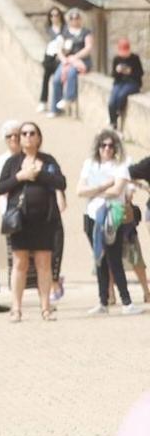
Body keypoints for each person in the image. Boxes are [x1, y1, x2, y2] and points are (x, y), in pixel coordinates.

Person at [0, 122, 67, 322]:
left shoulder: (48, 160)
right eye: (24, 133)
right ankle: (16, 309)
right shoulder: (13, 162)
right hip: (21, 221)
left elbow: (61, 182)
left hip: (44, 220)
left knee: (44, 263)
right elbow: (0, 187)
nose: (28, 136)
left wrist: (40, 174)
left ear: (38, 137)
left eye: (32, 133)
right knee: (20, 263)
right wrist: (21, 176)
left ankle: (45, 307)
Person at [79, 131, 138, 315]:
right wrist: (104, 186)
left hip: (113, 215)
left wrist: (93, 191)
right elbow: (79, 190)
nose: (107, 149)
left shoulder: (121, 165)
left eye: (111, 145)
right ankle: (102, 301)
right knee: (99, 259)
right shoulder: (90, 164)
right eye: (103, 145)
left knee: (114, 259)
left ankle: (126, 301)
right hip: (91, 215)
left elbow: (118, 190)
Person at [50, 8, 94, 117]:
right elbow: (59, 48)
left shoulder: (86, 32)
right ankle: (55, 108)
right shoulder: (65, 32)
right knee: (56, 79)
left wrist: (76, 57)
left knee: (72, 73)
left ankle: (68, 98)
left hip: (82, 60)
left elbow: (88, 47)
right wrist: (64, 59)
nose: (75, 20)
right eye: (72, 18)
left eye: (77, 18)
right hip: (67, 60)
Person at [113, 39, 144, 128]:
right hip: (120, 82)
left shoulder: (135, 58)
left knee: (121, 95)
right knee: (113, 98)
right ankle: (113, 121)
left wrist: (130, 72)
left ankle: (118, 112)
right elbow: (114, 76)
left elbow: (140, 73)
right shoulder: (117, 59)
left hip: (133, 82)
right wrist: (117, 71)